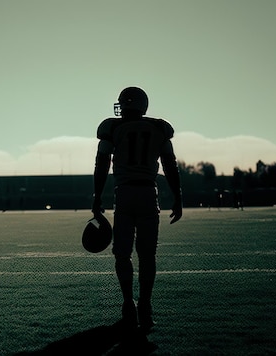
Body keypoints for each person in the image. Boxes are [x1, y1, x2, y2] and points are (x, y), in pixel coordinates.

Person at [92, 87, 183, 332]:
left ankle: (128, 305)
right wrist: (178, 196)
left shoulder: (113, 128)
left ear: (124, 105)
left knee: (122, 254)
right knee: (147, 255)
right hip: (147, 193)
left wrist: (96, 196)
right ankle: (145, 305)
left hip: (124, 193)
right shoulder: (158, 129)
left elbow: (101, 164)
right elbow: (170, 165)